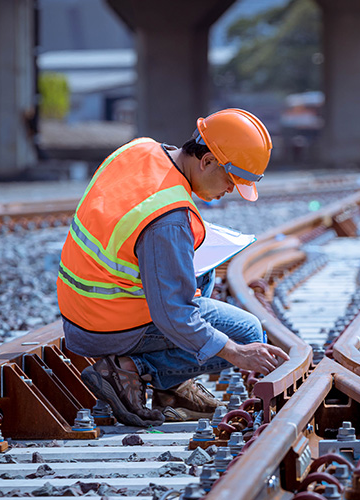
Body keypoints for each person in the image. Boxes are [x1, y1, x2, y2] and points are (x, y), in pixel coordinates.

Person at [57, 109, 289, 427]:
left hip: (82, 306)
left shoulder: (140, 148)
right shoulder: (168, 219)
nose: (231, 190)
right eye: (231, 179)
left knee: (201, 269)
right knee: (247, 332)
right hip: (106, 324)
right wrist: (236, 352)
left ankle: (169, 387)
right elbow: (174, 316)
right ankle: (131, 369)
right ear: (206, 161)